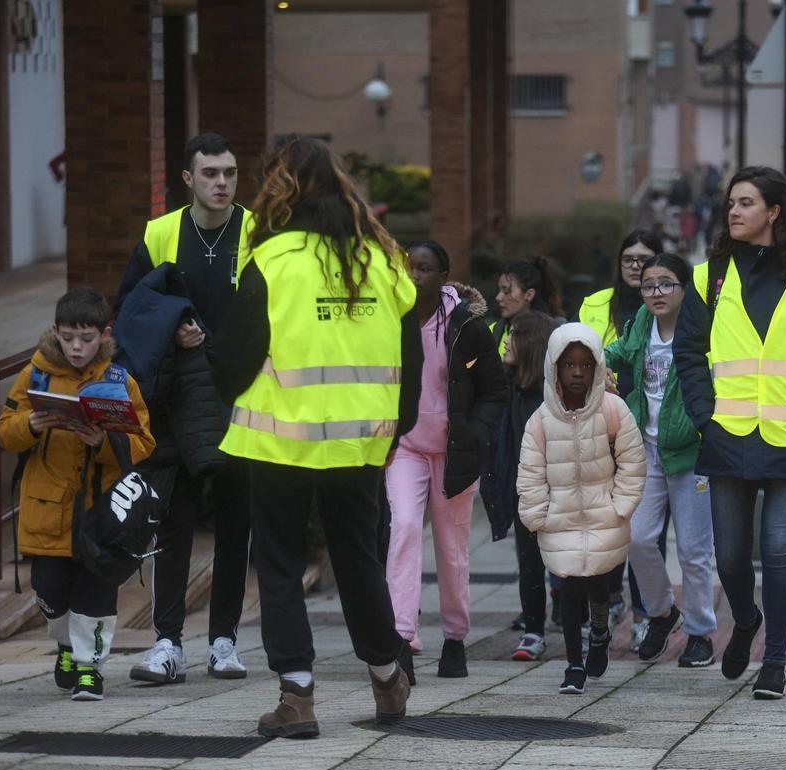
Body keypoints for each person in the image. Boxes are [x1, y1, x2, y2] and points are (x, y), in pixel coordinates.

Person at [214, 136, 412, 736]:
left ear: (282, 189)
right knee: (359, 559)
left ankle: (297, 696)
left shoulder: (271, 261)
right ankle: (386, 677)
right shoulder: (382, 261)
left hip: (279, 440)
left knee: (278, 563)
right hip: (360, 441)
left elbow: (234, 358)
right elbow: (411, 353)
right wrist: (394, 423)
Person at [674, 166, 786, 699]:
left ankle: (774, 661)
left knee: (777, 548)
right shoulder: (708, 277)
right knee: (730, 557)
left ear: (774, 212)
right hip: (727, 433)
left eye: (747, 203)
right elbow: (689, 352)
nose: (734, 211)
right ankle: (746, 620)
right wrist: (705, 413)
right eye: (732, 202)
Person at [116, 132, 256, 685]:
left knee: (234, 523)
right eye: (211, 174)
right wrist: (174, 327)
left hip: (242, 398)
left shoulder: (255, 231)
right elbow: (131, 307)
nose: (222, 183)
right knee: (172, 523)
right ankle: (167, 643)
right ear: (187, 179)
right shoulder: (161, 232)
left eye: (230, 173)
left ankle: (224, 640)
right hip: (177, 399)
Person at [0, 288, 155, 701]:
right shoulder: (37, 374)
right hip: (48, 507)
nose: (77, 347)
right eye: (68, 338)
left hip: (100, 511)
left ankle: (89, 669)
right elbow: (4, 432)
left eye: (86, 338)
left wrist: (102, 440)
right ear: (55, 332)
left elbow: (143, 443)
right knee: (49, 589)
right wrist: (31, 423)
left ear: (105, 334)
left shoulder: (120, 380)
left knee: (95, 593)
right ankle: (66, 646)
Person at [386, 240, 506, 682]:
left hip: (455, 452)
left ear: (443, 275)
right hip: (406, 448)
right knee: (402, 532)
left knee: (453, 551)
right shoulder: (391, 321)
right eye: (410, 267)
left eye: (425, 269)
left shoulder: (466, 326)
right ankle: (402, 638)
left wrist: (476, 435)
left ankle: (455, 639)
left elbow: (495, 390)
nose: (416, 276)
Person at [517, 323, 646, 693]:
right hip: (560, 519)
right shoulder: (540, 421)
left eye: (586, 365)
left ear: (598, 368)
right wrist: (537, 515)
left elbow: (633, 463)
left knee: (599, 585)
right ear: (553, 368)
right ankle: (574, 663)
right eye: (568, 364)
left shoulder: (613, 410)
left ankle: (601, 631)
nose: (577, 372)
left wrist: (620, 506)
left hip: (605, 515)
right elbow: (529, 474)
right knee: (569, 587)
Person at [605, 253, 717, 667]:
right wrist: (593, 361)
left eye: (666, 283)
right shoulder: (640, 324)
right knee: (636, 536)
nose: (656, 292)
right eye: (649, 284)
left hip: (693, 454)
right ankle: (662, 612)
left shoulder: (701, 330)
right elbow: (615, 353)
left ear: (684, 289)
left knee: (693, 549)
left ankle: (701, 633)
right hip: (647, 451)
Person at [577, 230, 667, 648]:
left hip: (647, 429)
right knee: (606, 519)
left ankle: (646, 611)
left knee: (644, 527)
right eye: (628, 258)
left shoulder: (665, 307)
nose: (634, 265)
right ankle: (610, 599)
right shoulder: (595, 303)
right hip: (602, 425)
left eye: (643, 259)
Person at [480, 310, 561, 660]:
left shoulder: (552, 396)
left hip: (557, 492)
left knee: (568, 562)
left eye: (514, 334)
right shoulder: (507, 389)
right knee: (529, 563)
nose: (506, 340)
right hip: (523, 489)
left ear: (532, 344)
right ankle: (533, 631)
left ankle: (587, 626)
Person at [491, 257, 566, 357]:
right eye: (499, 290)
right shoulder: (493, 331)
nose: (498, 297)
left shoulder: (554, 334)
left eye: (506, 291)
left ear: (529, 295)